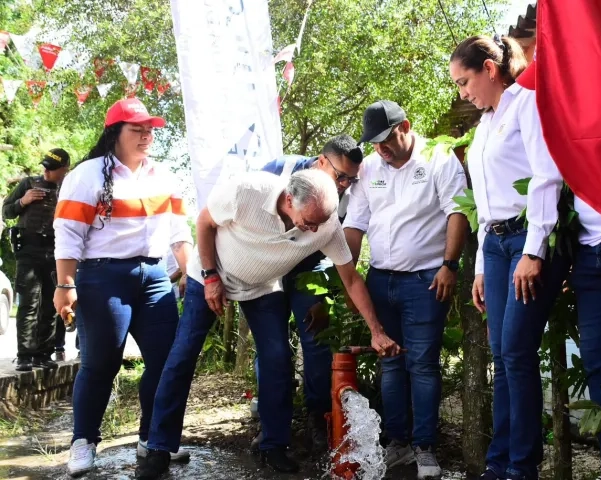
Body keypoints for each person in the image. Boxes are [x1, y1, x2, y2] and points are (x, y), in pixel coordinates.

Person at [137, 168, 401, 479]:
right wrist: (210, 277)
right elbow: (205, 222)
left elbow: (351, 279)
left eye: (320, 223)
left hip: (261, 286)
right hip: (209, 273)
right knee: (182, 356)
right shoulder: (247, 190)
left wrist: (377, 331)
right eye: (309, 222)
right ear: (289, 200)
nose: (315, 230)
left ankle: (274, 445)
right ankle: (158, 447)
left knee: (277, 360)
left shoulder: (325, 225)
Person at [52, 98, 193, 477]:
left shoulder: (163, 175)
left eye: (150, 130)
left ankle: (154, 438)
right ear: (115, 132)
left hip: (155, 279)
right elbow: (68, 234)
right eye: (137, 129)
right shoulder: (87, 175)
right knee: (101, 364)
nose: (146, 136)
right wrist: (65, 284)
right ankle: (83, 441)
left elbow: (179, 232)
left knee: (166, 363)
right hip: (103, 278)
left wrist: (193, 274)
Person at [449, 36, 568, 480]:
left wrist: (534, 250)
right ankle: (499, 463)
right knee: (501, 354)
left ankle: (523, 465)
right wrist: (481, 267)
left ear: (489, 70)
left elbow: (547, 176)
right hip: (495, 246)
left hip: (527, 239)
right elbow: (485, 204)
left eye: (464, 81)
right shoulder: (484, 125)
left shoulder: (526, 105)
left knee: (516, 350)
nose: (463, 92)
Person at [344, 100, 469, 478]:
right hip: (380, 280)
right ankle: (397, 444)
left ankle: (425, 448)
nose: (380, 147)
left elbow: (458, 212)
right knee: (391, 363)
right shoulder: (368, 168)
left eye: (386, 138)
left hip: (426, 280)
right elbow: (354, 224)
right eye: (374, 141)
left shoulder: (438, 158)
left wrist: (449, 265)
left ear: (406, 127)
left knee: (423, 365)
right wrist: (349, 279)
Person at [251, 133, 363, 454]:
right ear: (321, 161)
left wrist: (326, 296)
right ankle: (271, 422)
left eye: (351, 180)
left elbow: (340, 252)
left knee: (316, 342)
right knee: (270, 345)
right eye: (340, 176)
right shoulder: (279, 169)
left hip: (311, 268)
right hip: (270, 266)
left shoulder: (348, 195)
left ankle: (318, 417)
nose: (344, 185)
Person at [3, 149, 70, 371]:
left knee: (51, 305)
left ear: (64, 169)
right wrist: (23, 201)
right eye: (45, 167)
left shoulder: (69, 189)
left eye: (52, 168)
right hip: (29, 250)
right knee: (28, 304)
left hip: (55, 251)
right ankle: (24, 355)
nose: (46, 172)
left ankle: (43, 354)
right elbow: (6, 212)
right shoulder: (28, 183)